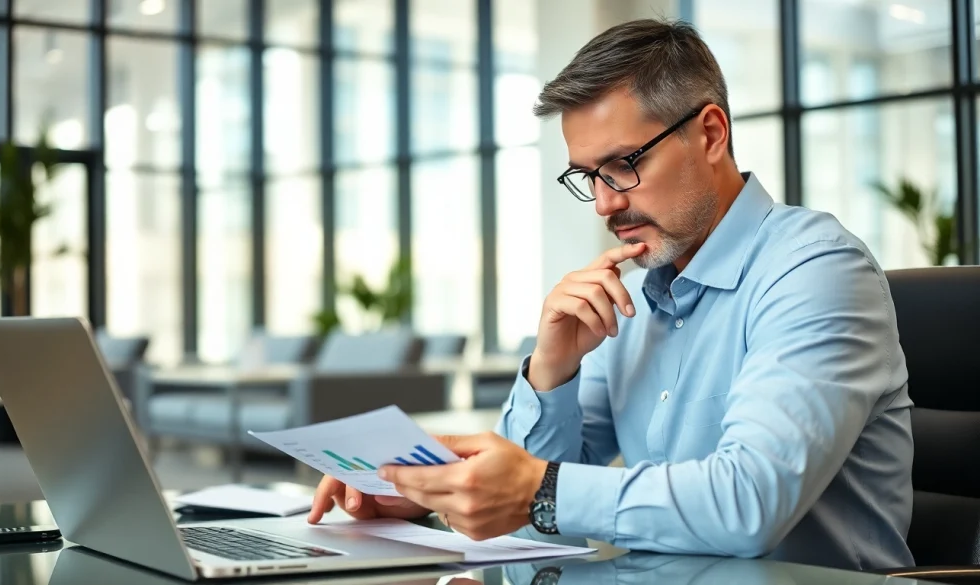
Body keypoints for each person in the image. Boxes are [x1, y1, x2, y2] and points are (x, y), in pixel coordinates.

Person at [308, 18, 914, 571]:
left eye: (624, 165)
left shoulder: (815, 270)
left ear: (709, 134)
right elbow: (526, 514)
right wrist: (546, 377)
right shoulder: (635, 293)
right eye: (588, 176)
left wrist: (538, 490)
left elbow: (749, 502)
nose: (605, 203)